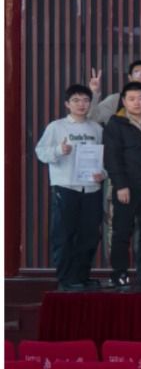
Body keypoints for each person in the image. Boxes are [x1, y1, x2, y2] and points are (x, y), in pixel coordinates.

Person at [34, 83, 106, 290]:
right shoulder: (56, 127)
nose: (81, 104)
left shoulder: (96, 128)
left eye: (85, 100)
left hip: (91, 188)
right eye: (76, 100)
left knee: (90, 235)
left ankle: (81, 277)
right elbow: (41, 152)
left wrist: (103, 174)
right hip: (66, 188)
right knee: (64, 236)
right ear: (67, 104)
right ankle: (65, 279)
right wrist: (59, 150)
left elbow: (105, 158)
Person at [101, 81, 141, 288]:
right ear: (124, 101)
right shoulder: (115, 123)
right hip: (126, 187)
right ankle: (119, 274)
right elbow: (112, 157)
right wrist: (120, 185)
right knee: (121, 232)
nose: (137, 102)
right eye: (131, 99)